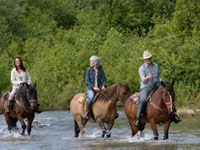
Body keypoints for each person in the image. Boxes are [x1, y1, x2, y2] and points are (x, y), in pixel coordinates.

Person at [135, 50, 181, 127]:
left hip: (156, 85)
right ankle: (138, 118)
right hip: (146, 87)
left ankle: (174, 115)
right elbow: (143, 79)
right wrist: (148, 78)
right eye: (147, 58)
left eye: (149, 58)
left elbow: (158, 76)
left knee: (168, 94)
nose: (148, 59)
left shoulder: (156, 65)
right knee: (143, 100)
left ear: (151, 57)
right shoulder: (141, 68)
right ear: (144, 60)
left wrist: (163, 83)